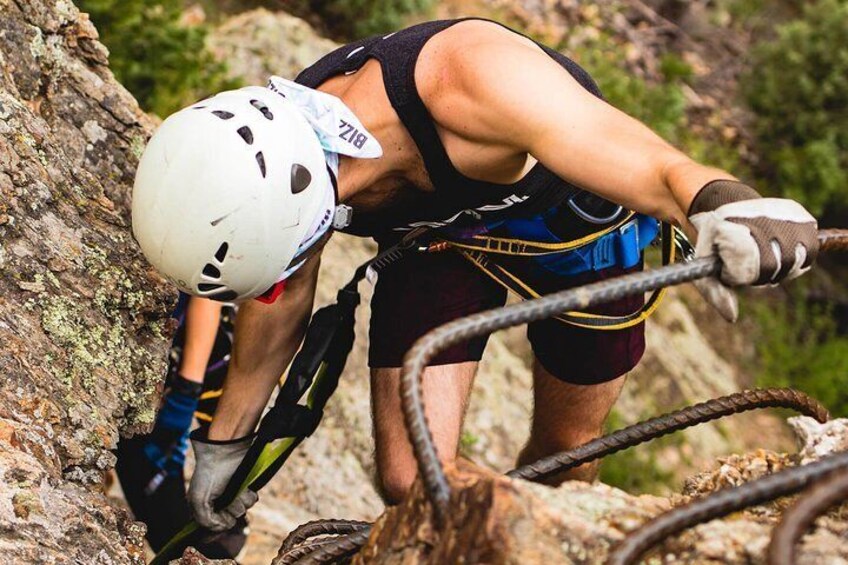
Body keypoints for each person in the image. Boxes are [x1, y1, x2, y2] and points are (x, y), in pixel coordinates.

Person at [131, 18, 819, 532]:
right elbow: (282, 304)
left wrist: (719, 202)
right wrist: (226, 441)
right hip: (439, 242)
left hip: (576, 233)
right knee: (410, 479)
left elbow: (632, 153)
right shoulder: (278, 164)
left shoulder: (470, 78)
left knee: (568, 451)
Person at [114, 295, 247, 556]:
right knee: (177, 530)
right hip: (179, 346)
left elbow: (209, 285)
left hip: (195, 348)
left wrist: (186, 395)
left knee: (212, 534)